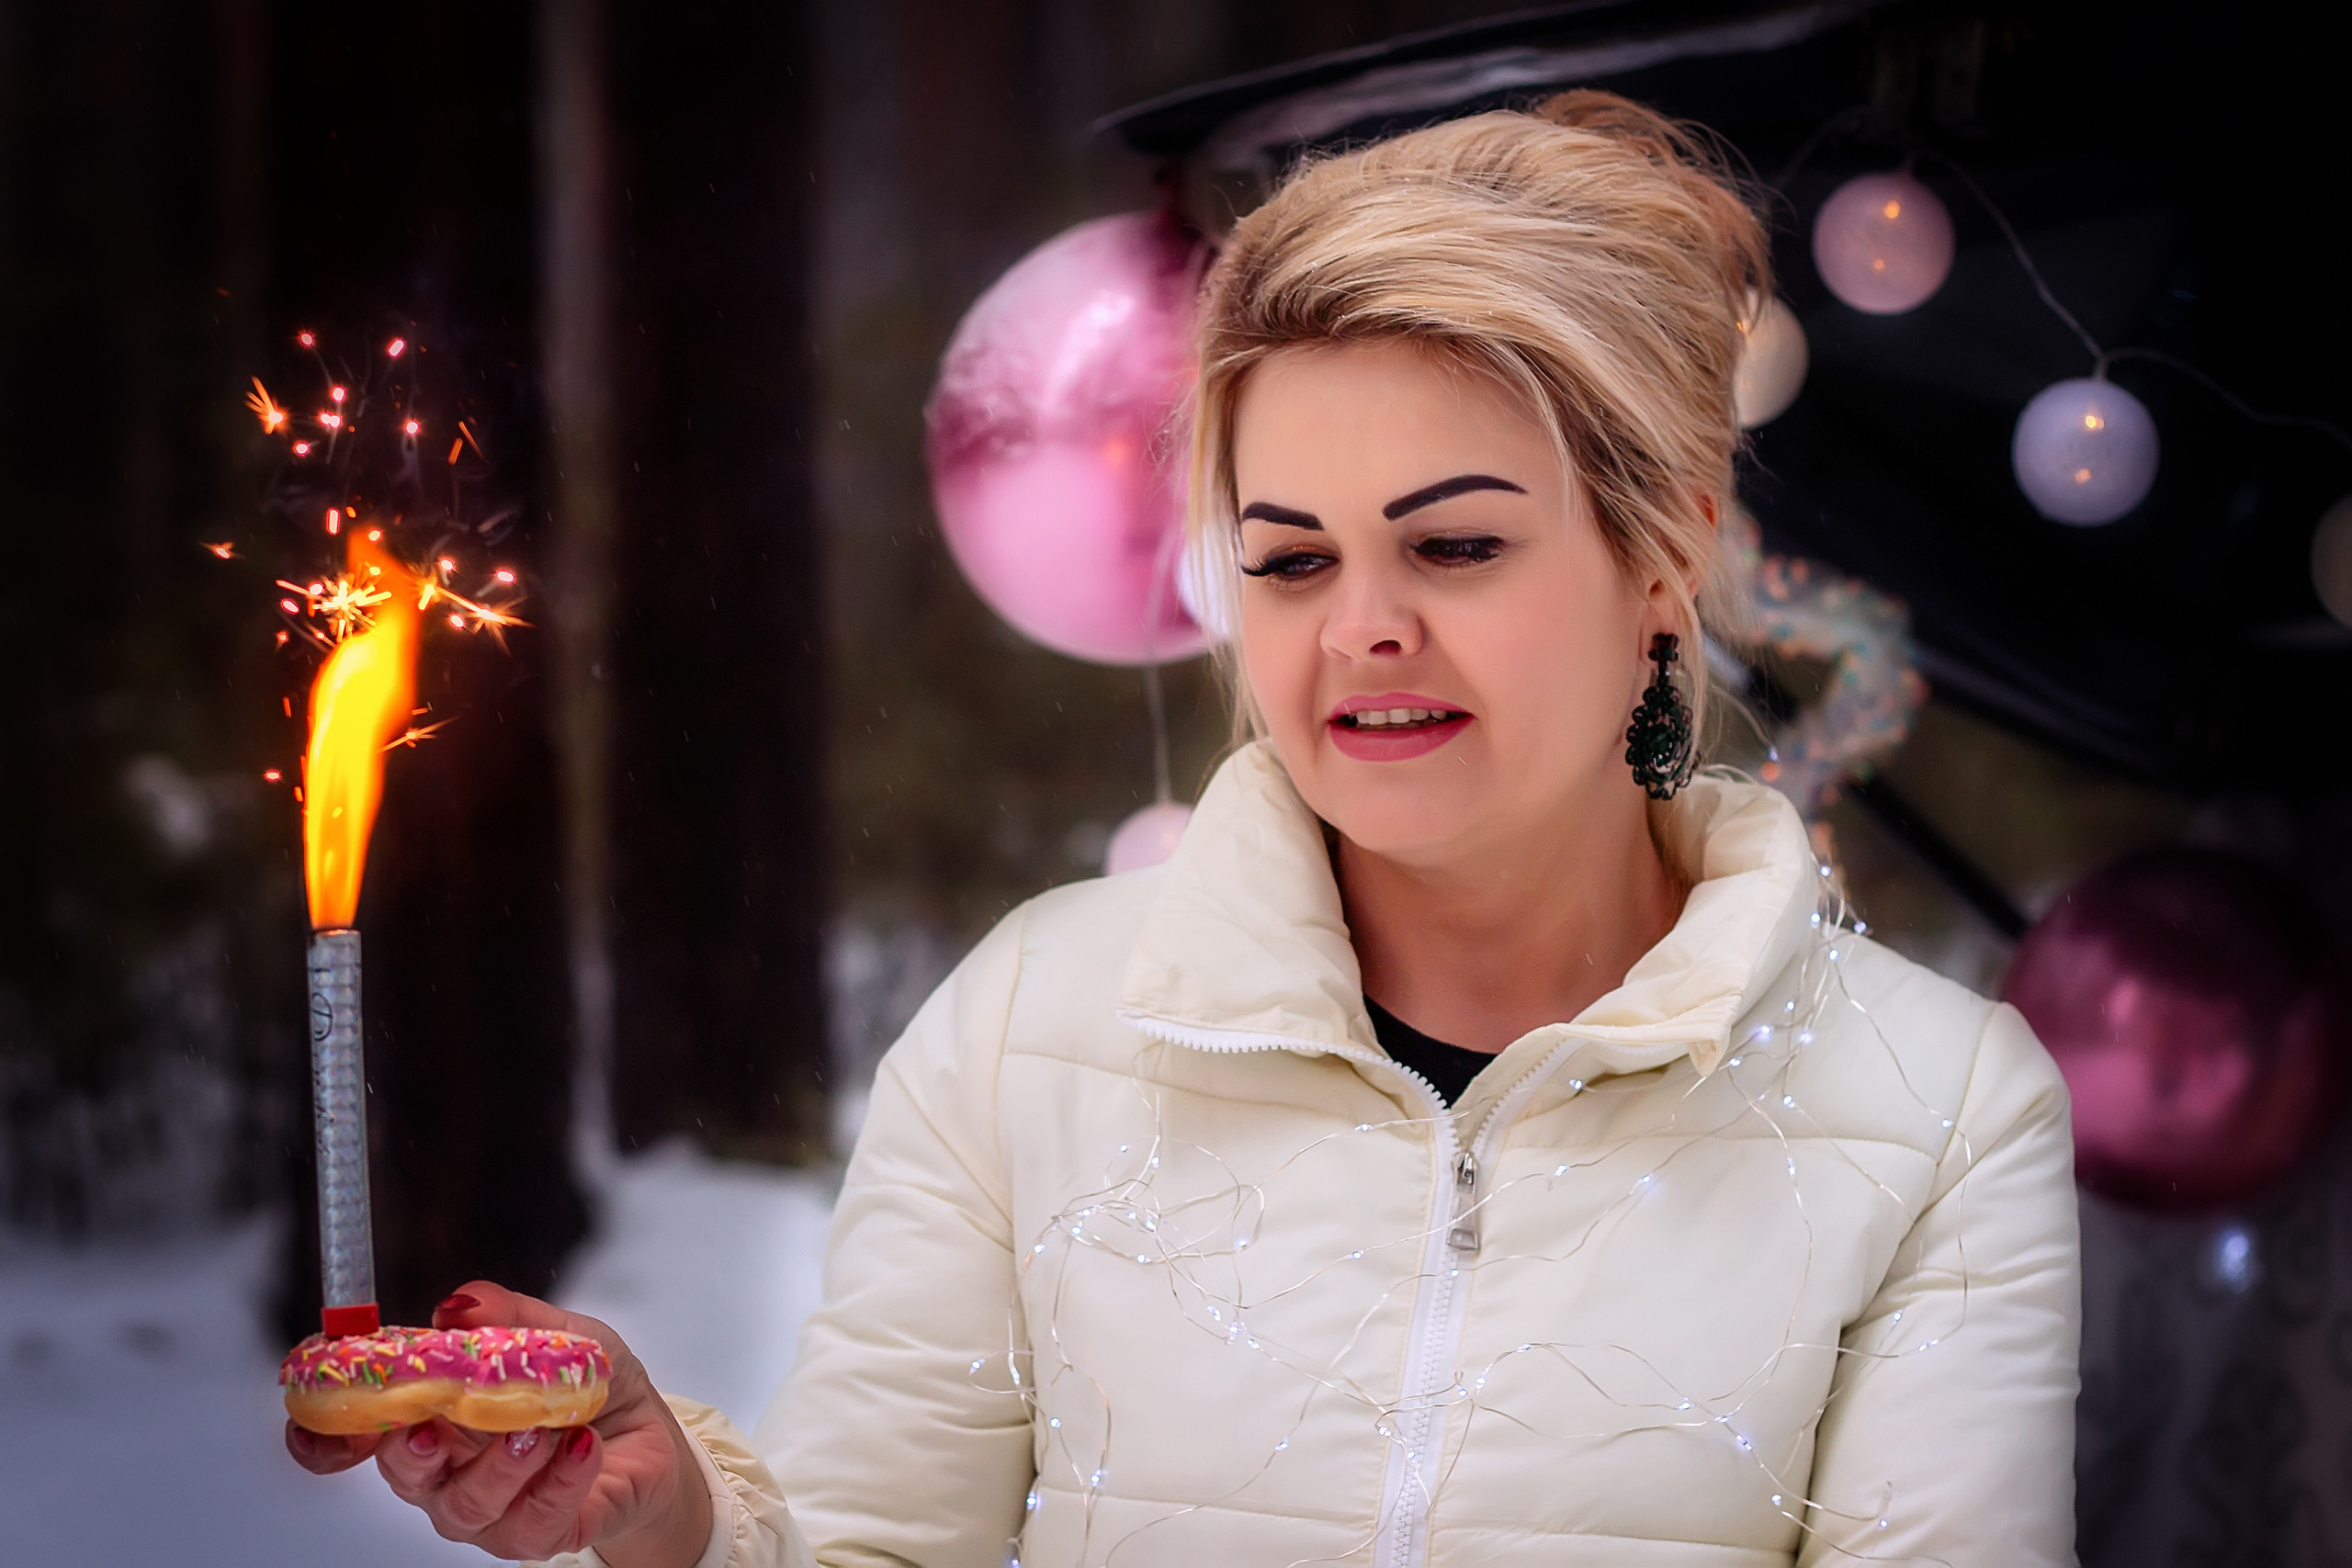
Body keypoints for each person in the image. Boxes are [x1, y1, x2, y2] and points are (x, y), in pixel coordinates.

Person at [290, 92, 2080, 1567]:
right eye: (1287, 556)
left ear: (1663, 554)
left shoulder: (1928, 1112)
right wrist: (663, 1509)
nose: (1355, 625)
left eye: (1453, 543)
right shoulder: (1030, 1028)